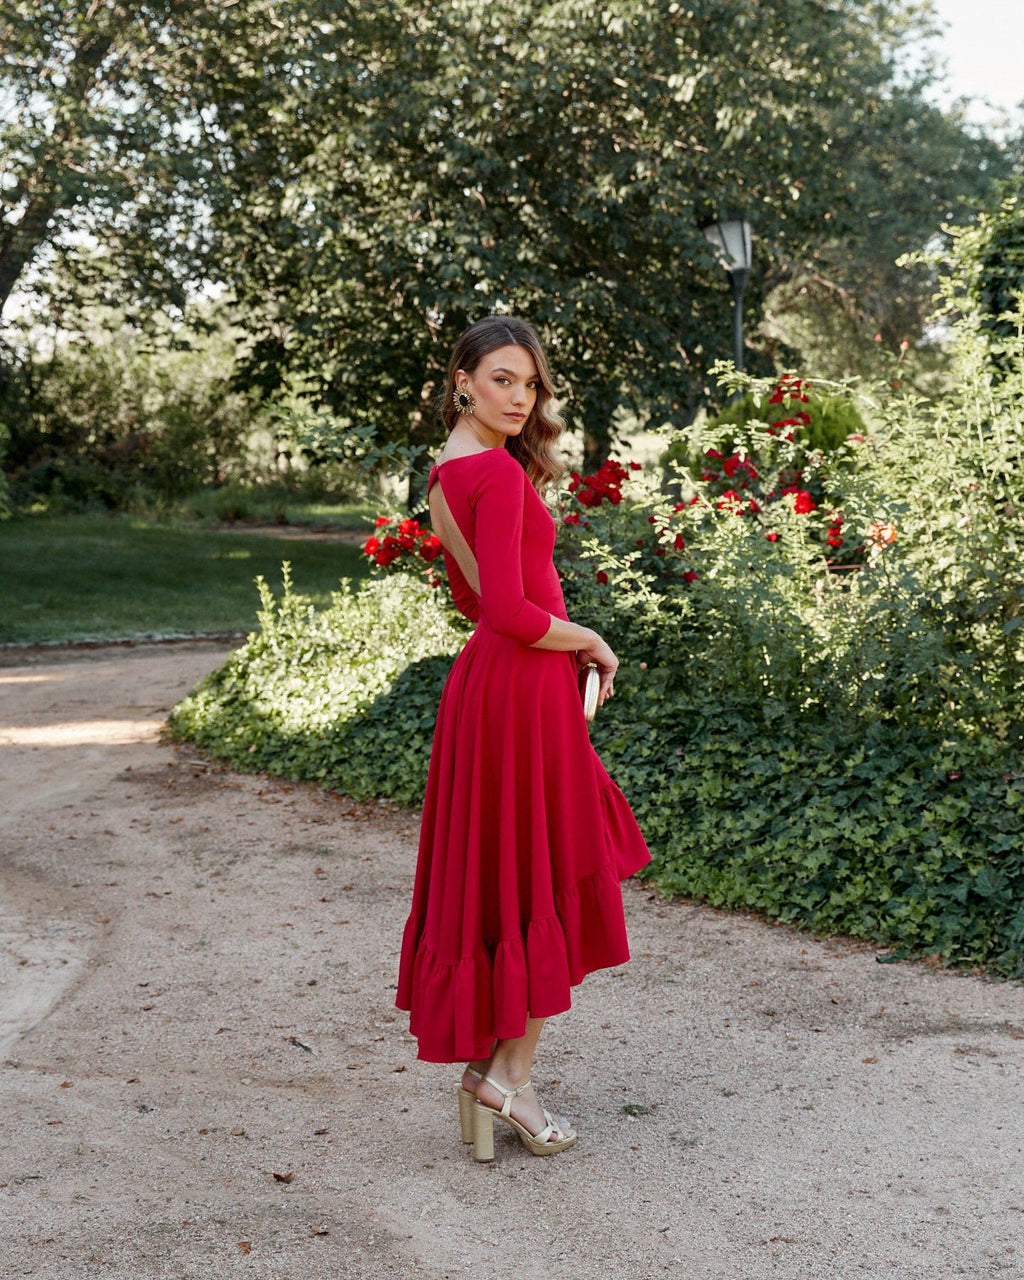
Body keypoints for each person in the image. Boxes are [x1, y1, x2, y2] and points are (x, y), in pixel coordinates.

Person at [395, 315, 650, 1161]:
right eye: (502, 379)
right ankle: (511, 1082)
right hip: (524, 688)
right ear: (462, 379)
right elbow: (504, 610)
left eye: (531, 383)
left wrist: (554, 643)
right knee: (557, 868)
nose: (520, 396)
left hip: (490, 689)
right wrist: (587, 639)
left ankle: (492, 1074)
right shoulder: (498, 479)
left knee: (518, 869)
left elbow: (476, 610)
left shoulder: (445, 472)